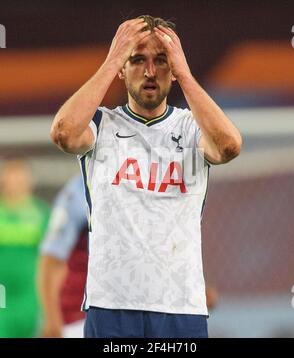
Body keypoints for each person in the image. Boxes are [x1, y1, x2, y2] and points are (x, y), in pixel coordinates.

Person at [50, 15, 242, 338]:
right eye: (137, 59)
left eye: (161, 61)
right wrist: (112, 60)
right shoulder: (100, 125)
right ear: (122, 69)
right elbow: (63, 133)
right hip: (111, 306)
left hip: (181, 308)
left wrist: (186, 74)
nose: (150, 72)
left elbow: (229, 146)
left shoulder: (192, 128)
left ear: (175, 68)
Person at [0, 159, 49, 338]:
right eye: (10, 179)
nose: (14, 184)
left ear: (29, 182)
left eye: (19, 179)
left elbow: (53, 260)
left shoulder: (43, 215)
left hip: (31, 297)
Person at [38, 175, 88, 338]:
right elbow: (51, 259)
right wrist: (52, 319)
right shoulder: (78, 191)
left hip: (141, 312)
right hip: (79, 319)